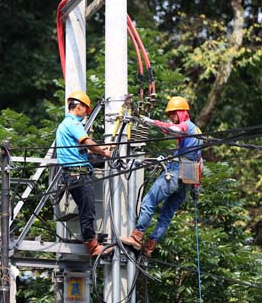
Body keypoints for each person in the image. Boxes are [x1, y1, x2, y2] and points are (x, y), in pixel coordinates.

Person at [121, 96, 202, 257]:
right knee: (166, 214)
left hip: (177, 170)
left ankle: (137, 237)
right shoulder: (198, 132)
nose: (172, 117)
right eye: (170, 114)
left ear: (182, 112)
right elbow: (200, 161)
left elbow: (174, 129)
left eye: (174, 113)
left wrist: (151, 122)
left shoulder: (186, 126)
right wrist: (196, 187)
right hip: (189, 175)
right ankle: (150, 246)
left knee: (149, 201)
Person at [56, 90, 112, 256]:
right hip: (78, 173)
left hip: (71, 174)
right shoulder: (73, 124)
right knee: (88, 210)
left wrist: (100, 150)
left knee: (85, 209)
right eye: (85, 110)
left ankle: (91, 241)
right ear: (78, 106)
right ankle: (92, 245)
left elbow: (77, 150)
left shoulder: (63, 125)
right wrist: (103, 152)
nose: (85, 115)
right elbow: (87, 142)